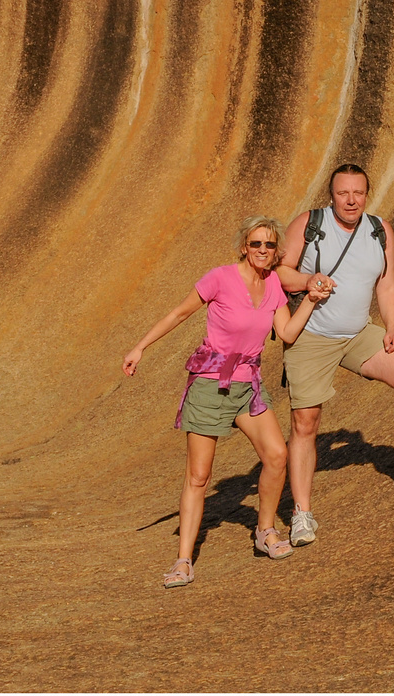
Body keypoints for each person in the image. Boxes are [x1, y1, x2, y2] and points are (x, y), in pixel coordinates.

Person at [124, 215, 331, 589]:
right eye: (256, 244)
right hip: (209, 385)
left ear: (277, 252)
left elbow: (285, 333)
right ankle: (184, 560)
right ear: (243, 247)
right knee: (199, 477)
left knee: (277, 456)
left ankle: (265, 531)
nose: (263, 251)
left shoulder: (273, 288)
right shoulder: (220, 278)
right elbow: (179, 312)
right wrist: (140, 347)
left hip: (248, 385)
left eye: (270, 246)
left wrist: (311, 303)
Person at [274, 163, 394, 547]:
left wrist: (392, 327)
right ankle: (302, 514)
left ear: (366, 194)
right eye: (343, 193)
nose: (351, 200)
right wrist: (308, 281)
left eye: (358, 192)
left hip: (357, 332)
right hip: (312, 335)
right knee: (306, 423)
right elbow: (279, 273)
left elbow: (387, 285)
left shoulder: (379, 229)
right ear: (332, 195)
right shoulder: (310, 224)